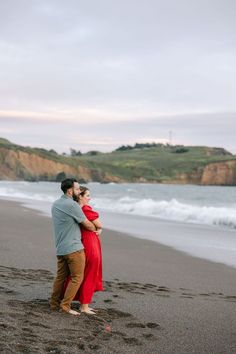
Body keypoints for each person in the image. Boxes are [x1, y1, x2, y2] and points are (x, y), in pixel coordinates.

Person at [50, 178, 97, 316]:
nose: (79, 191)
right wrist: (97, 228)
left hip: (60, 247)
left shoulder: (56, 203)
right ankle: (65, 306)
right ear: (70, 191)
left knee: (60, 277)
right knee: (77, 278)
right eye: (77, 189)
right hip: (74, 248)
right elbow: (87, 224)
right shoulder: (72, 205)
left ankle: (54, 303)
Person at [62, 186, 104, 315]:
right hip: (90, 243)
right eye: (87, 195)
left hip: (80, 242)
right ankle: (84, 306)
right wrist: (100, 229)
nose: (90, 198)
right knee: (90, 273)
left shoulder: (74, 209)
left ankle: (68, 299)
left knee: (79, 273)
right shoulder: (86, 209)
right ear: (80, 196)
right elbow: (100, 225)